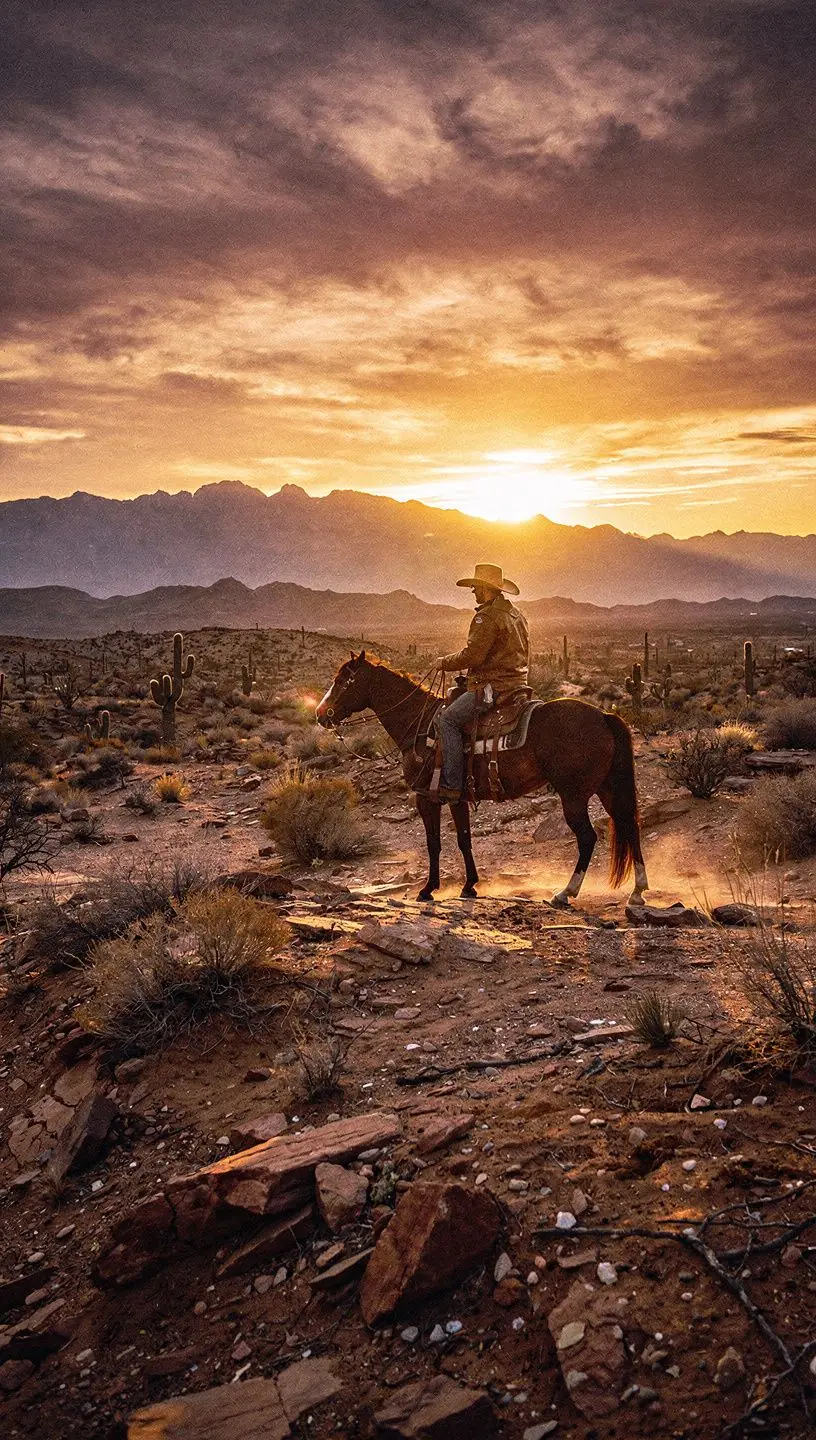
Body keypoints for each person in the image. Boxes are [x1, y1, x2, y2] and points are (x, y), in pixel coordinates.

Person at [431, 562, 530, 801]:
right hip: (517, 684)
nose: (473, 592)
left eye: (476, 587)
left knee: (448, 720)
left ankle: (452, 785)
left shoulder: (486, 617)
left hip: (492, 688)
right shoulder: (516, 614)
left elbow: (473, 655)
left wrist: (443, 662)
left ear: (487, 590)